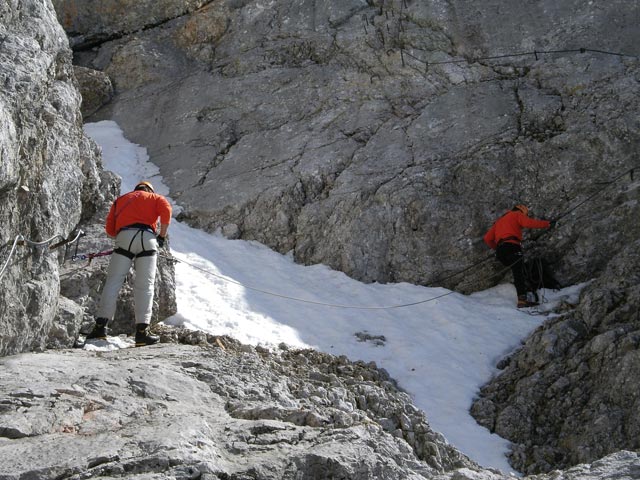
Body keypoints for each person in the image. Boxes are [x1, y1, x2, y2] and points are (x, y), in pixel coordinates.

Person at [86, 180, 172, 346]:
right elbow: (166, 212)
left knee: (113, 281)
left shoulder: (121, 200)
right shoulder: (156, 198)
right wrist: (161, 236)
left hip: (124, 238)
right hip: (147, 239)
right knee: (145, 285)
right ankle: (141, 332)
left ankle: (100, 327)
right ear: (149, 189)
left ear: (136, 188)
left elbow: (110, 230)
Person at [483, 204, 554, 308]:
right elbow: (529, 223)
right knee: (518, 273)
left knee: (517, 268)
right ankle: (522, 300)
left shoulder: (499, 221)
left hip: (501, 252)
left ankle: (526, 292)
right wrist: (547, 224)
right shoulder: (516, 214)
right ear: (522, 211)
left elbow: (487, 238)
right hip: (512, 246)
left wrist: (497, 248)